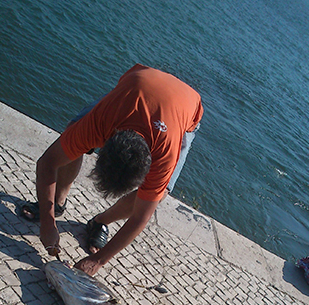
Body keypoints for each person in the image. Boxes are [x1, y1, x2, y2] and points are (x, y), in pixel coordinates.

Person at [20, 64, 203, 276]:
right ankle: (58, 203)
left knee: (159, 194)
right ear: (104, 143)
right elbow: (47, 162)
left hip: (187, 111)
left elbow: (140, 217)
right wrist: (48, 221)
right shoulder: (102, 122)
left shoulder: (165, 155)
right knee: (73, 132)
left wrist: (98, 260)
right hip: (134, 89)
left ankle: (100, 222)